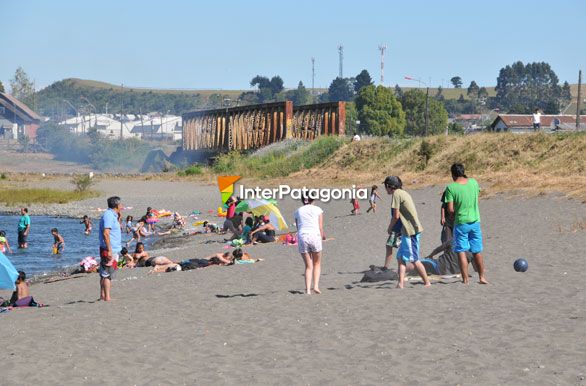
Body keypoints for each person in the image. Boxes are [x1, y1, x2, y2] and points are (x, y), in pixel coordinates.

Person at [443, 163, 488, 285]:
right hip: (475, 221)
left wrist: (453, 215)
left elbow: (451, 209)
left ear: (452, 174)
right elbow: (476, 197)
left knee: (461, 251)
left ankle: (465, 279)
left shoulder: (451, 188)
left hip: (461, 223)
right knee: (477, 250)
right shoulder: (473, 182)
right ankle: (482, 277)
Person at [384, 176, 431, 289]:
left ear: (390, 187)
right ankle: (400, 283)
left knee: (414, 259)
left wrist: (390, 228)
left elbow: (396, 216)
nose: (385, 189)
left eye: (385, 186)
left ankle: (427, 282)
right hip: (407, 231)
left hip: (411, 231)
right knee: (400, 257)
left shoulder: (396, 194)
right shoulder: (403, 192)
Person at [294, 195, 325, 294]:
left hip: (303, 236)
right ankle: (315, 286)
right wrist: (322, 236)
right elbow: (320, 227)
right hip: (314, 235)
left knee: (308, 266)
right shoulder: (318, 209)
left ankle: (307, 289)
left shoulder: (298, 211)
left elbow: (298, 228)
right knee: (317, 263)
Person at [99, 196, 123, 301]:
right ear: (116, 205)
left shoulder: (112, 215)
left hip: (114, 249)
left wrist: (118, 218)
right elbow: (106, 233)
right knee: (107, 273)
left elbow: (113, 230)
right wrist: (109, 250)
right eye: (121, 204)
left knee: (107, 272)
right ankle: (107, 297)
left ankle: (103, 295)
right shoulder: (108, 215)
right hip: (110, 250)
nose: (122, 206)